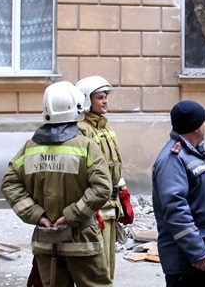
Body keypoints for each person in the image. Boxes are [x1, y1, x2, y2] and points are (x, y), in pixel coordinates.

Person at [0, 81, 112, 287]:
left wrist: (37, 215)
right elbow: (102, 187)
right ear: (78, 108)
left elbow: (9, 183)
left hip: (46, 241)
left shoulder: (30, 147)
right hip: (82, 242)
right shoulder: (86, 146)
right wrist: (71, 215)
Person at [152, 100, 205, 287]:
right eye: (204, 121)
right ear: (195, 127)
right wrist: (196, 251)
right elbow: (176, 209)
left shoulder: (194, 153)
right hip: (187, 262)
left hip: (202, 256)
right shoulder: (173, 159)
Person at [76, 75, 134, 280]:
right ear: (86, 100)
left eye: (105, 97)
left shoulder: (106, 127)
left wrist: (124, 195)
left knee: (108, 267)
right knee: (97, 268)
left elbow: (114, 165)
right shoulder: (81, 130)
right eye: (100, 98)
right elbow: (83, 173)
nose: (105, 101)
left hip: (111, 206)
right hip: (96, 209)